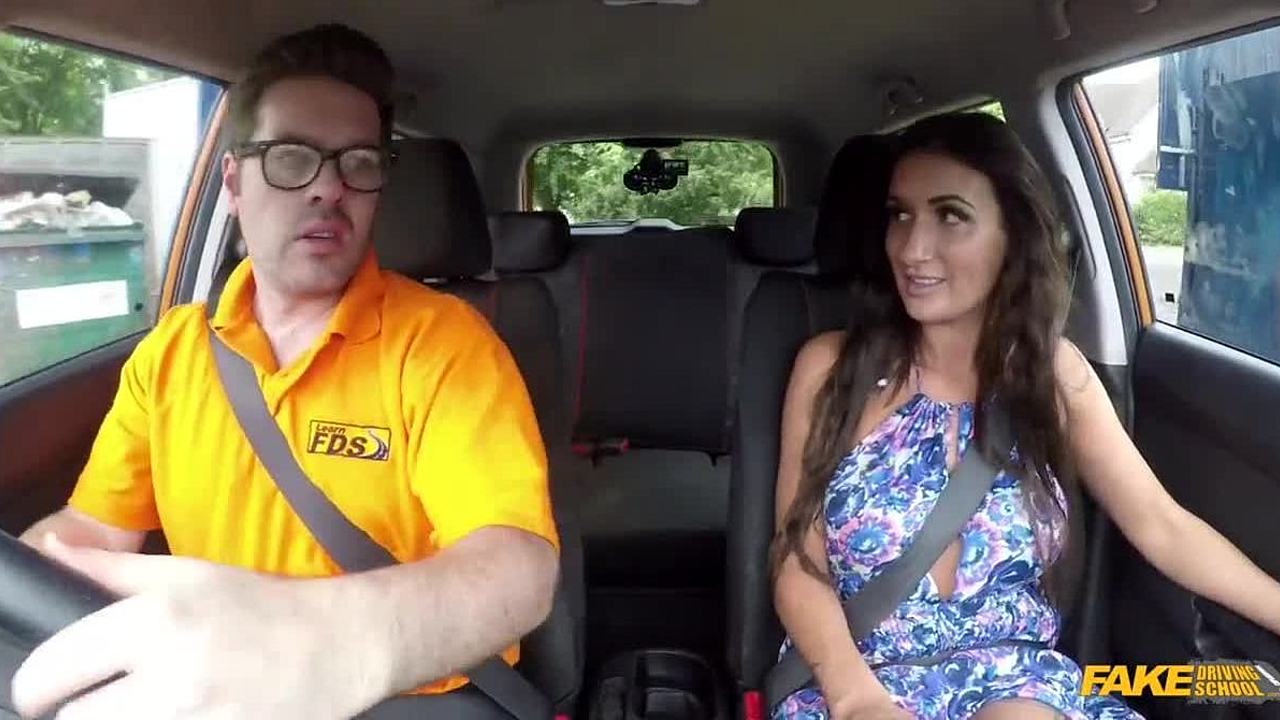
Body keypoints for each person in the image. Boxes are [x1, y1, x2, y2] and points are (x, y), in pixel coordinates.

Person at [11, 23, 559, 719]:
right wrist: (23, 583)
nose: (329, 187)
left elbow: (516, 567)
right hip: (207, 692)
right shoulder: (172, 351)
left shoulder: (444, 344)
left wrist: (328, 640)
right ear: (234, 182)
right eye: (292, 157)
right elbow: (94, 530)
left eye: (358, 162)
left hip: (411, 701)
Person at [769, 112, 1280, 720]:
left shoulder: (1052, 375)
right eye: (899, 215)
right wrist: (858, 700)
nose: (911, 248)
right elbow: (795, 560)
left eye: (950, 215)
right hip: (853, 681)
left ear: (1012, 234)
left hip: (1018, 683)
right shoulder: (831, 369)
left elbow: (1162, 526)